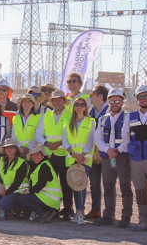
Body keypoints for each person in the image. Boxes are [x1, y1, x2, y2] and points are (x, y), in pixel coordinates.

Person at [121, 85, 147, 232]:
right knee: (140, 191)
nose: (144, 99)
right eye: (141, 97)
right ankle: (143, 220)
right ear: (137, 99)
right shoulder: (130, 117)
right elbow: (125, 138)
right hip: (136, 160)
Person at [93, 88, 133, 228]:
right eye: (112, 101)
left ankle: (126, 216)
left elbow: (129, 138)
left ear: (122, 101)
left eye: (117, 101)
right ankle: (108, 215)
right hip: (107, 157)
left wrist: (118, 150)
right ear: (108, 101)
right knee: (108, 187)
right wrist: (107, 150)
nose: (115, 103)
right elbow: (97, 138)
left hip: (122, 157)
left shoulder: (128, 117)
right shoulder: (103, 119)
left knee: (125, 187)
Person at [35, 90, 73, 220]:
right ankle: (52, 208)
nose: (57, 102)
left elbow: (73, 134)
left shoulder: (70, 114)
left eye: (60, 99)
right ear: (52, 102)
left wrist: (60, 143)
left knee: (66, 184)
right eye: (55, 100)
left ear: (64, 101)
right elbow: (38, 134)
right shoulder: (46, 116)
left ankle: (68, 210)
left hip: (64, 154)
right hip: (49, 154)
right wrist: (46, 143)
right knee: (50, 184)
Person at [62, 96, 95, 225]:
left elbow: (91, 140)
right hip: (71, 159)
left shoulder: (90, 121)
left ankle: (80, 212)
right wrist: (73, 154)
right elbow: (65, 141)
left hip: (85, 160)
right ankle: (75, 211)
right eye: (77, 105)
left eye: (82, 104)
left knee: (80, 186)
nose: (79, 107)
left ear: (86, 107)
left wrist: (82, 156)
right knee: (73, 185)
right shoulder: (68, 122)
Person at [17, 144, 62, 223]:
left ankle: (44, 213)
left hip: (50, 198)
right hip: (49, 198)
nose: (35, 156)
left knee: (22, 198)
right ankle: (46, 211)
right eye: (33, 154)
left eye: (37, 154)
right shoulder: (41, 164)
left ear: (43, 155)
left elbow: (40, 185)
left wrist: (28, 191)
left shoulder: (44, 166)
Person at [85, 85, 110, 219]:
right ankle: (96, 210)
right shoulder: (90, 113)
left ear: (100, 96)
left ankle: (110, 212)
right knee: (94, 182)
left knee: (109, 182)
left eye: (92, 93)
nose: (90, 96)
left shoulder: (111, 111)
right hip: (93, 155)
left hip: (108, 154)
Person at [0, 138, 29, 220]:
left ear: (16, 149)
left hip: (18, 192)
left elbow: (17, 182)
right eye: (7, 147)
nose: (9, 149)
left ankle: (17, 209)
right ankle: (2, 211)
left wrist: (7, 193)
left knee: (3, 202)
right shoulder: (0, 160)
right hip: (4, 190)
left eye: (12, 147)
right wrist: (0, 184)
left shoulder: (22, 163)